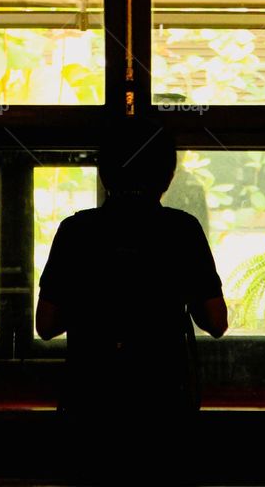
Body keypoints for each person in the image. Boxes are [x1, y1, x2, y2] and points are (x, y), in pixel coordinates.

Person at [36, 118, 228, 483]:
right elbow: (216, 322)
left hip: (92, 404)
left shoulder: (77, 231)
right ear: (168, 177)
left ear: (105, 175)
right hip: (164, 407)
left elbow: (46, 324)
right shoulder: (182, 230)